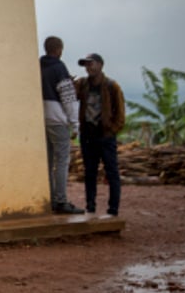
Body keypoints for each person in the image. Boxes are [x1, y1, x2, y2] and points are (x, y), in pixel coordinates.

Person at [74, 53, 126, 216]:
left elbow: (121, 113)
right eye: (86, 65)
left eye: (91, 64)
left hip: (105, 136)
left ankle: (113, 209)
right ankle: (90, 206)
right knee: (90, 172)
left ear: (100, 65)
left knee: (112, 172)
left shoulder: (112, 86)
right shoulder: (82, 84)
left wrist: (111, 131)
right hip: (88, 135)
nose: (88, 67)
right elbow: (70, 95)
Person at [40, 36, 83, 214]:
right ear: (59, 50)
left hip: (41, 120)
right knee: (62, 161)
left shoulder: (38, 66)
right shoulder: (59, 67)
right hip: (57, 120)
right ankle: (61, 201)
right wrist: (74, 124)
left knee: (48, 162)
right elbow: (68, 98)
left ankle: (50, 198)